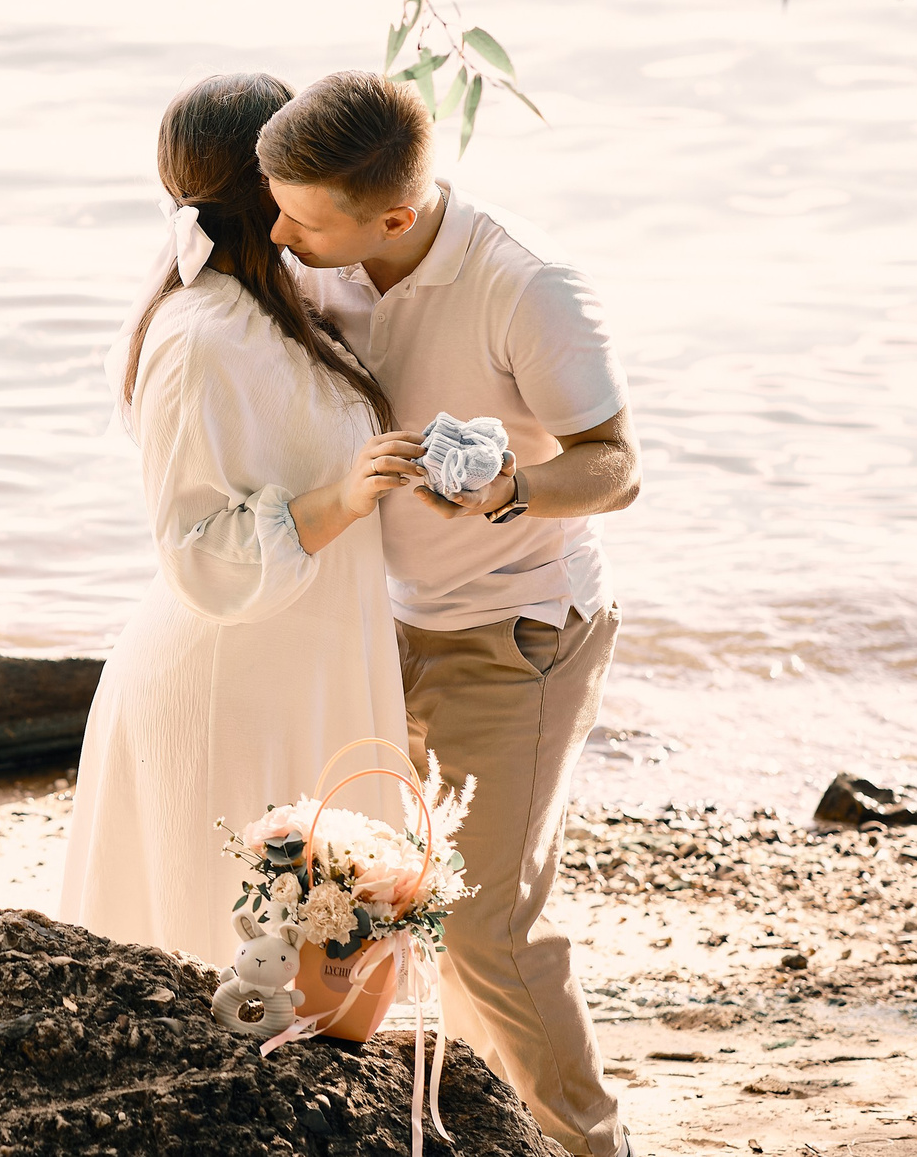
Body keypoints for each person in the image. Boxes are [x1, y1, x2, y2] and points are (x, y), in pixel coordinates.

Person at [259, 70, 641, 1157]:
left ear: (395, 216)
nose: (276, 233)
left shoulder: (528, 288)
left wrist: (506, 488)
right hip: (372, 623)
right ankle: (485, 1126)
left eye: (299, 216)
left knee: (486, 925)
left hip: (515, 629)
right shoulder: (314, 258)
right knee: (358, 887)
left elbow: (615, 469)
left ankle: (585, 1148)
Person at [59, 73, 426, 968]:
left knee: (317, 972)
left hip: (310, 664)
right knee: (223, 960)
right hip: (231, 682)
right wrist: (338, 499)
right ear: (268, 181)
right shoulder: (197, 336)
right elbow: (197, 551)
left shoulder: (288, 301)